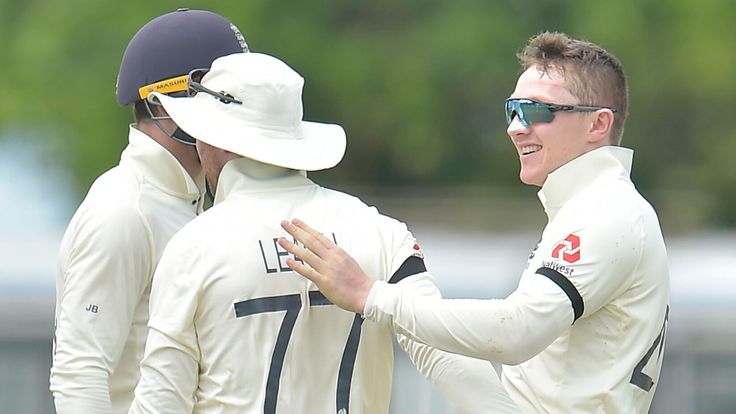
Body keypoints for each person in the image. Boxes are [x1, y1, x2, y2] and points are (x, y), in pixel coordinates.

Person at [278, 31, 671, 413]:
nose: (516, 127)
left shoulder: (607, 211)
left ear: (598, 124)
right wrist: (397, 274)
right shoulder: (591, 206)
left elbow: (515, 333)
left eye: (537, 110)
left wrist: (372, 296)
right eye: (512, 110)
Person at [128, 52, 517, 414]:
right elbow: (448, 358)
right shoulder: (380, 230)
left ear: (214, 140)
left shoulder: (193, 247)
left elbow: (160, 401)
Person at [49, 9, 249, 414]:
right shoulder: (124, 211)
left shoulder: (194, 199)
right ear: (166, 101)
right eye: (224, 97)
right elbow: (79, 375)